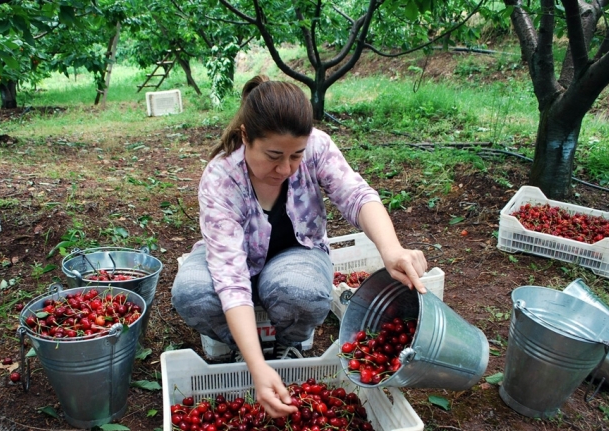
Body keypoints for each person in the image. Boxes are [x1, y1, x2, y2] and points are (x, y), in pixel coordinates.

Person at [171, 75, 428, 418]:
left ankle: (289, 343)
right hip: (234, 258)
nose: (285, 168)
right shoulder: (221, 179)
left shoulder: (317, 147)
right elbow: (230, 278)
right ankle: (243, 349)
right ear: (246, 136)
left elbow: (356, 195)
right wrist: (256, 368)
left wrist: (391, 249)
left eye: (296, 156)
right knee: (192, 293)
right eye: (274, 155)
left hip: (298, 253)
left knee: (301, 291)